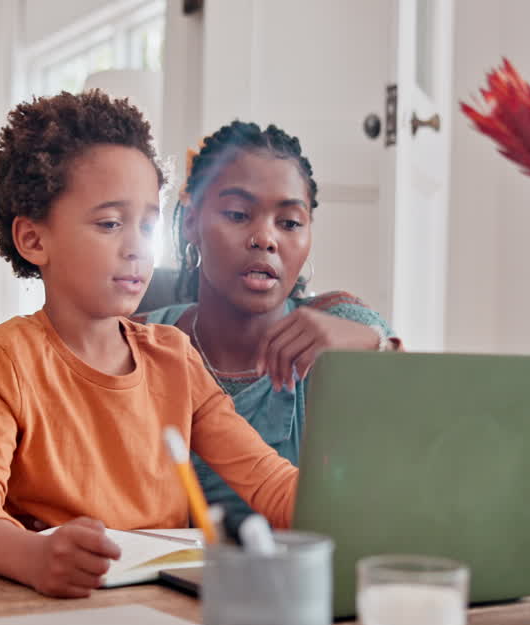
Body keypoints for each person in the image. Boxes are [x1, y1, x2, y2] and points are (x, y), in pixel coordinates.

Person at [0, 93, 298, 598]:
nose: (137, 245)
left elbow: (270, 484)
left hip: (164, 603)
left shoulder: (174, 357)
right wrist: (35, 557)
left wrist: (365, 505)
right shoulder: (8, 357)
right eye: (110, 223)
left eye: (148, 224)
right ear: (33, 239)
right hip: (53, 604)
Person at [141, 121, 399, 521]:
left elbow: (418, 433)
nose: (265, 238)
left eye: (290, 222)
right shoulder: (142, 339)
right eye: (238, 214)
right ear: (191, 222)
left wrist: (370, 341)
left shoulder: (341, 325)